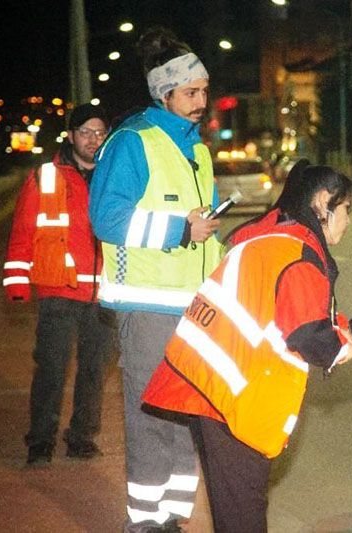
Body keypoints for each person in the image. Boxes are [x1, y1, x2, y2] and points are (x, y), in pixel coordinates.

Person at [141, 160, 352, 532]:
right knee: (243, 510)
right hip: (231, 395)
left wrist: (339, 326)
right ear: (323, 203)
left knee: (233, 504)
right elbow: (307, 334)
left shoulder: (270, 238)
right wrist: (342, 347)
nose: (348, 220)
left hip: (210, 382)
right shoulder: (298, 253)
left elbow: (281, 308)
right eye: (346, 210)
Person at [88, 27, 223, 532]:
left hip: (193, 311)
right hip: (145, 309)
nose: (201, 102)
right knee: (150, 423)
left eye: (204, 91)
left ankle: (172, 520)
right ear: (163, 93)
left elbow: (202, 236)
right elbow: (107, 218)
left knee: (187, 420)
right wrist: (179, 227)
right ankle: (144, 525)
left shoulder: (199, 152)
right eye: (191, 93)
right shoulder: (131, 143)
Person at [3, 103, 115, 466]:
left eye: (100, 133)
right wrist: (17, 281)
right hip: (58, 290)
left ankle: (82, 437)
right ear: (71, 136)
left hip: (103, 293)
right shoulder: (46, 176)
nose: (93, 139)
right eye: (86, 132)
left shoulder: (114, 177)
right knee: (51, 368)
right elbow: (23, 230)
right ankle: (41, 441)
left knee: (94, 370)